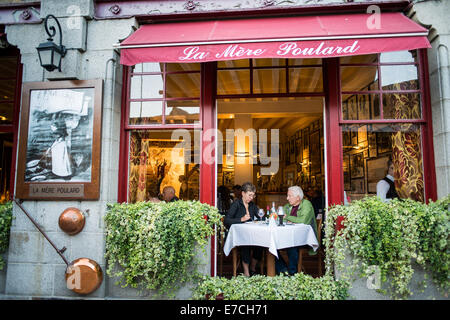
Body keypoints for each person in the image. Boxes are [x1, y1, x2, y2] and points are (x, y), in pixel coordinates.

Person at [275, 186, 318, 275]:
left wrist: (288, 217)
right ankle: (283, 270)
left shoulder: (306, 204)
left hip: (304, 238)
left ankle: (292, 273)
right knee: (271, 246)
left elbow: (303, 221)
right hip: (287, 236)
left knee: (293, 245)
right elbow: (280, 219)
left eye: (289, 196)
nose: (287, 198)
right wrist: (286, 218)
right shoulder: (287, 206)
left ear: (298, 197)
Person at [224, 182, 262, 277]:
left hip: (251, 234)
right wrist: (241, 219)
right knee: (246, 245)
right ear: (243, 193)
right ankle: (246, 272)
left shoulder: (252, 205)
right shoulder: (236, 204)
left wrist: (263, 218)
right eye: (249, 195)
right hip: (238, 236)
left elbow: (260, 217)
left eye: (253, 195)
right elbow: (227, 220)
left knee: (261, 244)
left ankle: (252, 268)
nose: (251, 198)